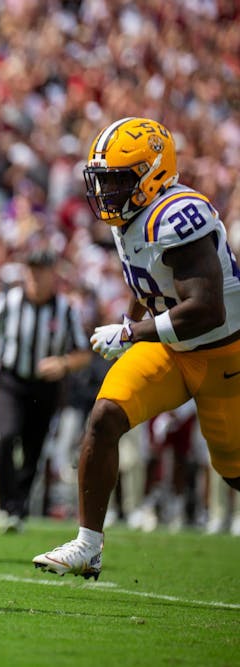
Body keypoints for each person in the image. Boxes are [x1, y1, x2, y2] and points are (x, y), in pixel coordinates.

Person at [34, 117, 240, 579]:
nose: (107, 192)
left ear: (152, 174)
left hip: (224, 351)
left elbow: (207, 309)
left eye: (118, 180)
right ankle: (88, 545)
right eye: (103, 181)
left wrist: (129, 334)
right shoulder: (129, 215)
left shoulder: (178, 216)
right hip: (171, 350)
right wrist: (132, 319)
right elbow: (146, 279)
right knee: (105, 416)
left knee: (233, 470)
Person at [0, 247, 92, 533]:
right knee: (6, 436)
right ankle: (7, 503)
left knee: (34, 448)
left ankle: (18, 508)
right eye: (31, 270)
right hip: (10, 381)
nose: (34, 276)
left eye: (41, 271)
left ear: (52, 275)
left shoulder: (66, 309)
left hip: (46, 387)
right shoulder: (9, 301)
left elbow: (84, 352)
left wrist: (64, 363)